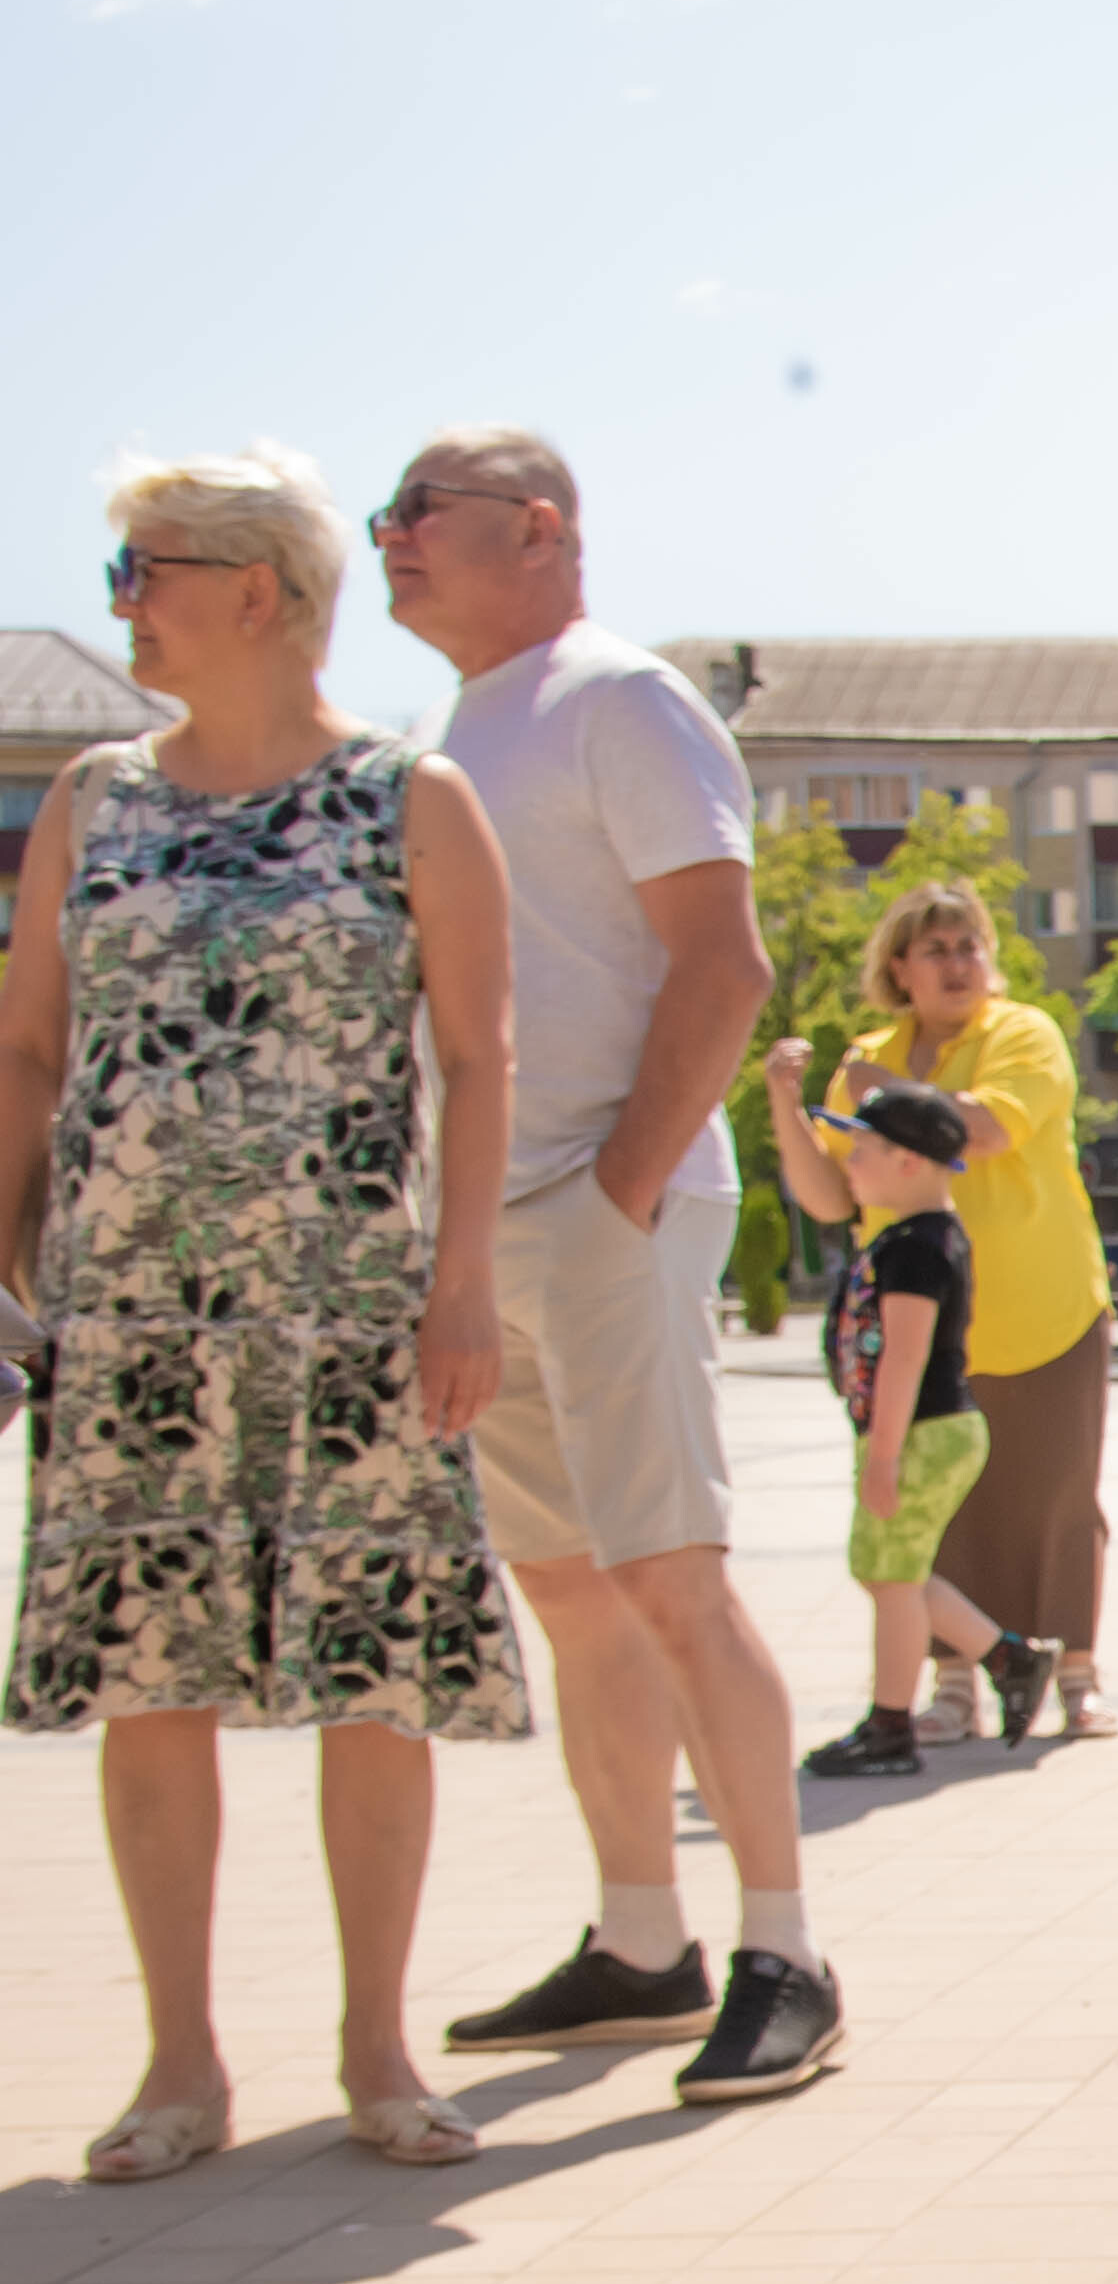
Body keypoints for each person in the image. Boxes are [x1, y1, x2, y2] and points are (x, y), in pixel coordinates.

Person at [1, 445, 528, 2177]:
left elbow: (474, 1054)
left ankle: (378, 2053)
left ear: (256, 588)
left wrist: (464, 1281)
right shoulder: (90, 799)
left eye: (141, 569)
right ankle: (180, 2066)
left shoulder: (409, 799)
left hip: (348, 1307)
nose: (123, 604)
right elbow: (25, 1045)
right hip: (132, 1314)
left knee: (372, 1672)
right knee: (152, 1677)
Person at [380, 424, 841, 2104]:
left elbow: (723, 964)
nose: (389, 541)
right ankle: (643, 1941)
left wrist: (614, 1192)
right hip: (492, 1223)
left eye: (418, 512)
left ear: (540, 527)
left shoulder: (618, 698)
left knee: (670, 1575)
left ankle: (789, 1948)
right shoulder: (465, 726)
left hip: (600, 1204)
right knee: (573, 1591)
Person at [766, 886, 1113, 1739]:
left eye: (970, 944)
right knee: (935, 1506)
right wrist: (788, 1103)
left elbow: (984, 1130)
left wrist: (879, 1089)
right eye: (938, 949)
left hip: (1046, 1310)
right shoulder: (869, 1053)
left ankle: (1076, 1674)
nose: (959, 963)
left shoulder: (1020, 1032)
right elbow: (829, 1197)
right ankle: (954, 1681)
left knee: (1056, 1495)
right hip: (923, 1330)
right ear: (898, 968)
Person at [788, 1079, 1062, 1779]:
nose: (849, 1162)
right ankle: (1010, 1658)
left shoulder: (919, 1247)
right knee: (891, 1572)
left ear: (908, 1161)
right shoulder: (911, 1237)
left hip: (921, 1435)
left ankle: (890, 1729)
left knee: (891, 1579)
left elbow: (906, 1357)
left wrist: (883, 1457)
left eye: (863, 1149)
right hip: (917, 1434)